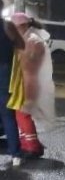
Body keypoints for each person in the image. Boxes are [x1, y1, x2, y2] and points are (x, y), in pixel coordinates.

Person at [10, 13, 55, 158]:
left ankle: (33, 147)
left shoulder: (32, 41)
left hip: (29, 82)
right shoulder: (28, 38)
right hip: (26, 81)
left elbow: (29, 66)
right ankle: (29, 143)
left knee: (23, 114)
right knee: (21, 114)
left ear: (22, 26)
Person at [0, 10, 23, 167]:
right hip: (4, 71)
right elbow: (21, 45)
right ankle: (15, 154)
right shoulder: (7, 25)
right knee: (7, 114)